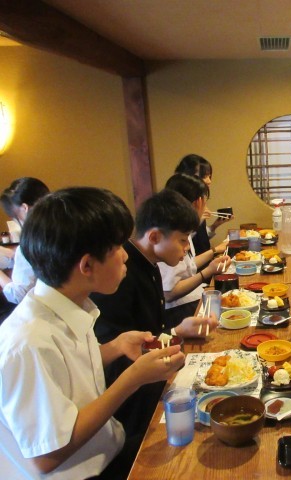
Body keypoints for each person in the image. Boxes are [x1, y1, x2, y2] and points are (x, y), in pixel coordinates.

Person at [0, 187, 185, 480]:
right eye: (118, 248)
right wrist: (132, 379)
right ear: (87, 265)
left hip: (110, 448)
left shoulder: (69, 306)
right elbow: (45, 457)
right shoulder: (27, 343)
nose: (125, 256)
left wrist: (116, 347)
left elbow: (66, 371)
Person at [91, 189, 218, 438]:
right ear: (154, 236)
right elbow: (117, 353)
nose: (186, 249)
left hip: (151, 383)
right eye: (182, 240)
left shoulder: (150, 264)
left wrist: (177, 330)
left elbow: (145, 335)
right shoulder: (119, 276)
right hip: (131, 406)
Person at [161, 173, 230, 326]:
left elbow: (189, 265)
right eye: (206, 202)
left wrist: (214, 251)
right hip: (180, 309)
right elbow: (169, 293)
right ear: (198, 202)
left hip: (191, 298)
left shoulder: (180, 227)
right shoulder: (171, 232)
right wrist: (208, 271)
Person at [0, 177, 50, 306]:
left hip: (44, 307)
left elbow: (19, 295)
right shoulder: (64, 227)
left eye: (14, 217)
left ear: (24, 208)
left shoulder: (32, 242)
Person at [175, 154, 232, 255]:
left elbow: (200, 239)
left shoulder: (198, 198)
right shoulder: (179, 205)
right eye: (204, 176)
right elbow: (182, 243)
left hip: (203, 260)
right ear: (187, 176)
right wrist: (197, 221)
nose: (209, 181)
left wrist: (214, 226)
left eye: (209, 176)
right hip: (194, 263)